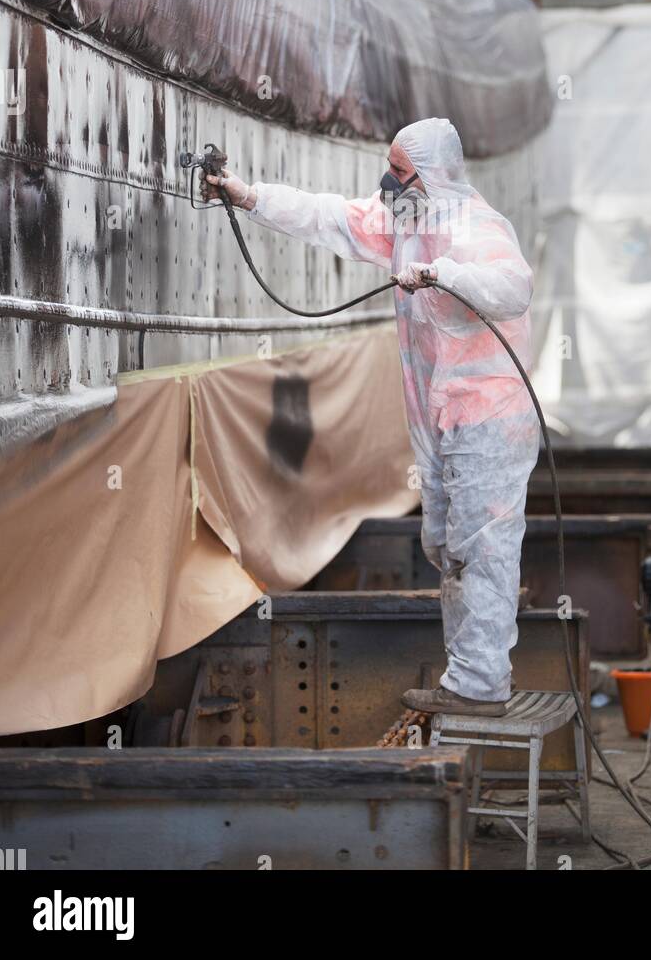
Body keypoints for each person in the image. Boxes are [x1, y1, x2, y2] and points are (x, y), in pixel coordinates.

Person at [204, 117, 539, 716]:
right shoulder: (407, 225)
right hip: (443, 420)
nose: (388, 180)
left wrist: (444, 275)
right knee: (446, 545)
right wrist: (248, 196)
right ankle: (472, 664)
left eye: (401, 171)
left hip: (490, 420)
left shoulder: (473, 227)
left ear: (431, 175)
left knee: (480, 550)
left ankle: (479, 684)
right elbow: (329, 217)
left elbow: (513, 287)